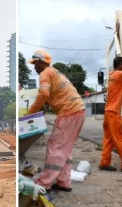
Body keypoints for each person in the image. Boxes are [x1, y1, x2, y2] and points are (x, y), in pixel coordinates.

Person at [27, 49, 85, 193]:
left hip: (69, 112)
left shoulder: (45, 73)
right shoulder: (55, 72)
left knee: (55, 147)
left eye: (35, 63)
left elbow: (43, 93)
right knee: (66, 149)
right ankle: (64, 181)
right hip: (78, 110)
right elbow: (51, 95)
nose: (34, 67)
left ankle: (44, 183)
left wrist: (30, 112)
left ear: (41, 62)